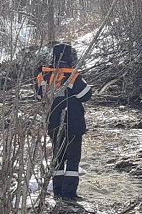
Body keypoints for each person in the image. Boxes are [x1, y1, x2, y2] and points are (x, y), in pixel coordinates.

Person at [35, 43, 92, 201]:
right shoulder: (72, 75)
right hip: (73, 123)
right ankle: (69, 193)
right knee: (73, 158)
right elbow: (86, 95)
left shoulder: (43, 75)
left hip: (53, 122)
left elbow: (40, 97)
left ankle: (58, 190)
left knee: (57, 156)